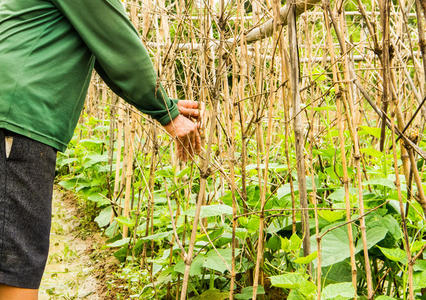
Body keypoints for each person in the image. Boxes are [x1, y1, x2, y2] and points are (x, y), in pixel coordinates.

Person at [0, 0, 202, 299]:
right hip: (18, 120)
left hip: (12, 115)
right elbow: (119, 45)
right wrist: (167, 114)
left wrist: (164, 104)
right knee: (18, 266)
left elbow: (104, 51)